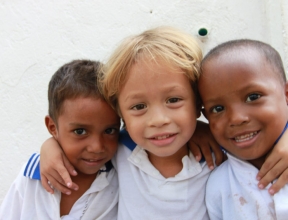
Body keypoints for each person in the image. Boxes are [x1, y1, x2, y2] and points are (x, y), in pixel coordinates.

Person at [33, 27, 288, 219]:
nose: (158, 120)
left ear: (198, 104)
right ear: (120, 112)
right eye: (139, 107)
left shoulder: (221, 149)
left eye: (174, 100)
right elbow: (84, 139)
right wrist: (50, 147)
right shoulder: (120, 150)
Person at [0, 60, 120, 219]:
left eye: (109, 130)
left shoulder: (123, 173)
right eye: (80, 131)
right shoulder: (31, 176)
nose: (96, 147)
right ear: (52, 127)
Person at [199, 39, 288, 219]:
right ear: (206, 117)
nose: (237, 118)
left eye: (253, 97)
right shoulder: (218, 187)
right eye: (218, 109)